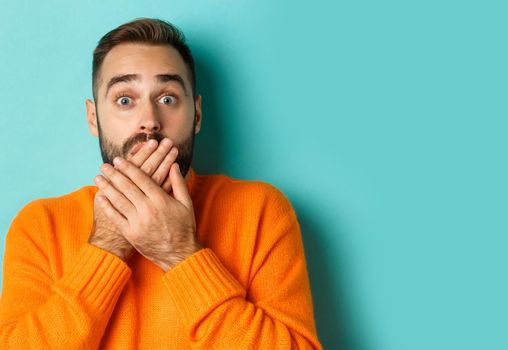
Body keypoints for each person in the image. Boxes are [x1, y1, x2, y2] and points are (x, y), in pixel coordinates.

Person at [0, 18, 322, 349]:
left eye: (167, 98)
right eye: (125, 100)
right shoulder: (40, 225)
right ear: (93, 117)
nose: (150, 122)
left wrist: (180, 254)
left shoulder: (260, 211)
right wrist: (107, 245)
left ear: (196, 114)